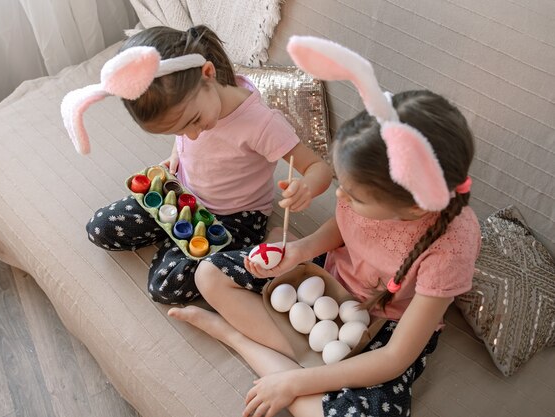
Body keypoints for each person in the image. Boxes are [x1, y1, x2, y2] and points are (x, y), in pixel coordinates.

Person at [168, 35, 481, 417]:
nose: (339, 198)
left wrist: (295, 384)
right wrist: (299, 251)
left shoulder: (451, 247)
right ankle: (291, 360)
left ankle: (245, 343)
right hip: (326, 283)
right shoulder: (364, 186)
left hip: (383, 327)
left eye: (355, 197)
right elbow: (344, 228)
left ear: (414, 209)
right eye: (341, 186)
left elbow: (397, 357)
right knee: (208, 275)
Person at [60, 26, 333, 304]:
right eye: (178, 130)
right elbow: (185, 135)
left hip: (234, 216)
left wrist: (306, 188)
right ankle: (183, 243)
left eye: (193, 122)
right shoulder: (190, 101)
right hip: (182, 195)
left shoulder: (261, 124)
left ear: (208, 74)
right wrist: (177, 154)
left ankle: (275, 257)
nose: (190, 134)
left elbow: (320, 169)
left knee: (164, 286)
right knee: (100, 227)